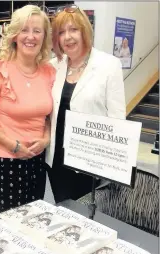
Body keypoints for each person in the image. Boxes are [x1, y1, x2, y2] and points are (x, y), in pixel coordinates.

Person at [0, 5, 55, 218]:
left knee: (33, 217)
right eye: (25, 30)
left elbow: (48, 116)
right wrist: (15, 146)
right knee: (9, 221)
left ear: (44, 36)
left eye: (37, 31)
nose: (31, 37)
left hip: (37, 158)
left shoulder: (49, 72)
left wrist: (46, 138)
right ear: (14, 35)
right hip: (6, 158)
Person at [46, 4, 126, 204]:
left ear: (85, 31)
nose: (67, 37)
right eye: (61, 32)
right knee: (63, 208)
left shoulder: (109, 65)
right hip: (56, 159)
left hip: (90, 161)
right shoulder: (52, 66)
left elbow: (118, 119)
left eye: (73, 29)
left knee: (87, 216)